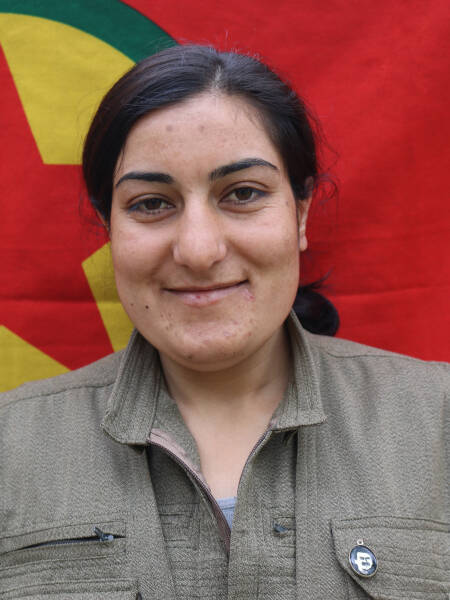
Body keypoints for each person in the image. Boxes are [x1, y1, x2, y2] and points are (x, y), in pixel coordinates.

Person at [0, 44, 448, 600]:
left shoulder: (439, 421)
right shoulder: (10, 447)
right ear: (109, 227)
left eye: (242, 193)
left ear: (301, 213)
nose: (198, 249)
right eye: (151, 203)